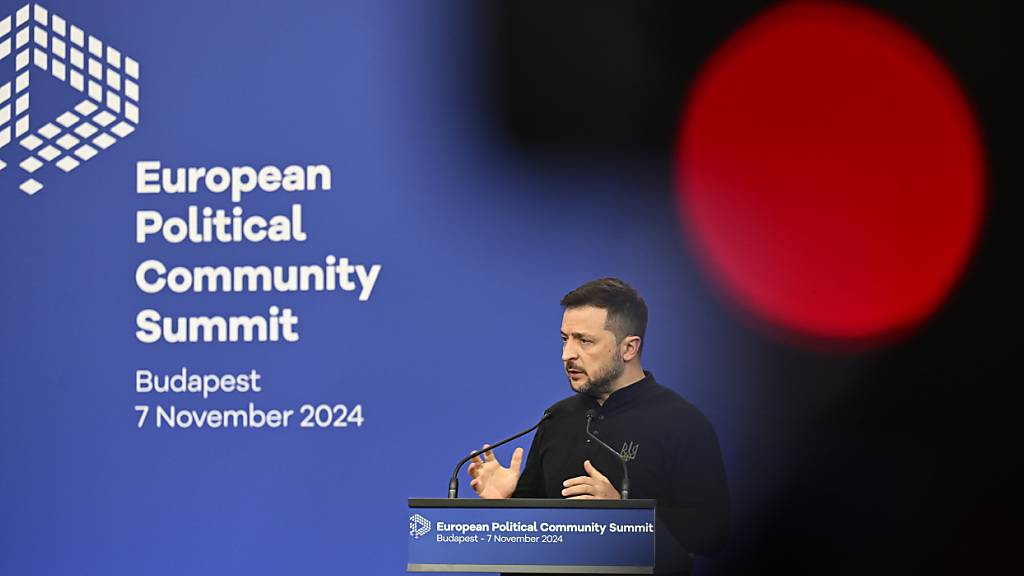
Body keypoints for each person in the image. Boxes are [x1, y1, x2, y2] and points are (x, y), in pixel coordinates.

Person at [468, 278, 730, 573]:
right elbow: (531, 538)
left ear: (629, 348)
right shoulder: (556, 419)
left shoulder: (683, 423)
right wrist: (506, 504)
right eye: (564, 339)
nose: (567, 354)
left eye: (584, 340)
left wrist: (626, 515)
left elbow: (712, 534)